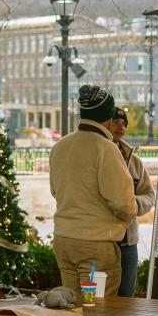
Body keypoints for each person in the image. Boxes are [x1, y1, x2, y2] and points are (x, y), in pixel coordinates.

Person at [50, 85, 137, 300]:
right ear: (108, 116)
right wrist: (125, 220)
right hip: (96, 246)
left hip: (63, 240)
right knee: (98, 309)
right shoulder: (106, 149)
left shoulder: (60, 145)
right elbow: (124, 202)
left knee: (73, 308)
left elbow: (55, 190)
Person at [108, 107, 156, 298]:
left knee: (126, 299)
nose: (121, 127)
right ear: (105, 123)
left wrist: (131, 203)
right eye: (116, 122)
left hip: (128, 245)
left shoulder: (134, 162)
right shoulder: (98, 155)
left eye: (124, 123)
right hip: (103, 241)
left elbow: (149, 195)